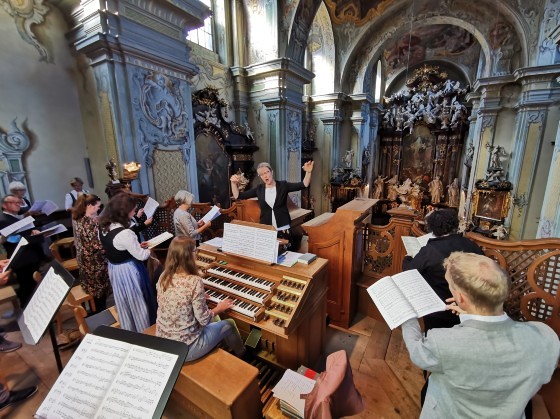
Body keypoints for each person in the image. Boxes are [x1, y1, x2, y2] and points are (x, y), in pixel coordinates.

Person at [402, 252, 560, 418]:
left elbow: (417, 351)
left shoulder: (443, 342)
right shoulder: (543, 337)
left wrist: (406, 314)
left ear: (460, 298)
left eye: (451, 287)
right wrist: (471, 312)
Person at [156, 237, 245, 361]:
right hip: (187, 348)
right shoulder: (194, 281)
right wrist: (220, 308)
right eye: (195, 251)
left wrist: (199, 297)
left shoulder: (164, 275)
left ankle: (222, 347)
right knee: (229, 324)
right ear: (188, 256)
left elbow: (177, 299)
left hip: (164, 341)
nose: (196, 253)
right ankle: (243, 357)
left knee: (215, 320)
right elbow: (204, 320)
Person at [402, 209, 484, 332]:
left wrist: (407, 258)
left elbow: (410, 273)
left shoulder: (429, 251)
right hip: (470, 308)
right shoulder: (471, 245)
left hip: (439, 310)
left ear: (432, 228)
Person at [98, 193, 157, 332]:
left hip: (115, 269)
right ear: (124, 212)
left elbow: (119, 247)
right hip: (128, 271)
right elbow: (142, 256)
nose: (134, 213)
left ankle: (129, 328)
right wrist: (150, 248)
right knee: (137, 301)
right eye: (133, 210)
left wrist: (136, 246)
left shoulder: (103, 227)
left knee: (124, 301)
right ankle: (144, 330)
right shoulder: (125, 233)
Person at [230, 161, 313, 247]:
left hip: (283, 228)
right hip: (267, 229)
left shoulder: (283, 185)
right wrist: (233, 183)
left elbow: (304, 184)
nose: (265, 175)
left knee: (283, 253)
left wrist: (308, 172)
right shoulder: (259, 189)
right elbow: (238, 196)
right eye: (262, 174)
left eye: (267, 172)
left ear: (271, 172)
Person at [0, 195, 45, 307]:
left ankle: (35, 307)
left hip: (29, 256)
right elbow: (13, 239)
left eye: (18, 202)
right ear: (4, 205)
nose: (17, 204)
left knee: (32, 285)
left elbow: (24, 233)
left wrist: (34, 232)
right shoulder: (3, 220)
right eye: (13, 202)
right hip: (22, 259)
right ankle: (27, 309)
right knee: (27, 287)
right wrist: (33, 235)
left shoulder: (16, 217)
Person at [72, 194, 110, 312]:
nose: (99, 209)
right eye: (97, 206)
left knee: (93, 291)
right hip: (94, 264)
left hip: (85, 263)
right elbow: (97, 245)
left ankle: (95, 311)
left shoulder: (80, 220)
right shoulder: (89, 223)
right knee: (99, 294)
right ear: (89, 205)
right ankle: (100, 314)